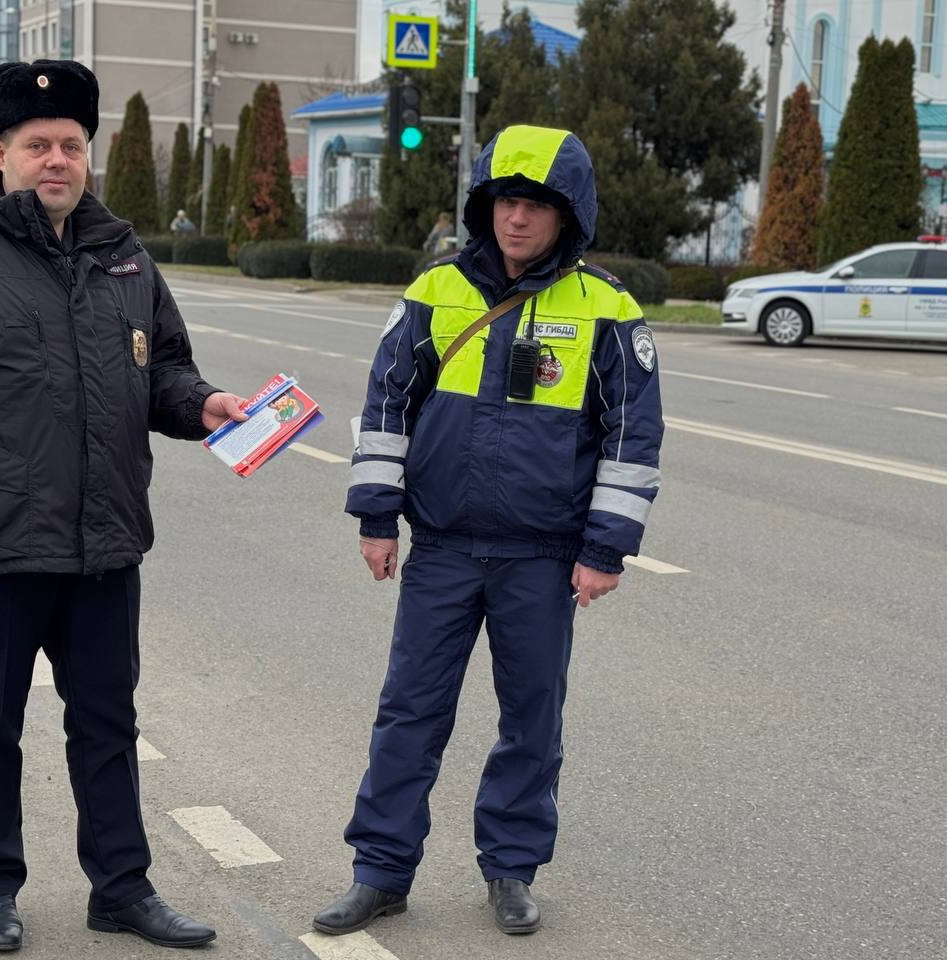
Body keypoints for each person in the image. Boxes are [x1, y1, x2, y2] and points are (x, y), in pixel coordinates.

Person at [0, 59, 248, 953]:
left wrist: (204, 404)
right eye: (37, 145)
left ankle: (123, 888)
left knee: (108, 726)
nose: (57, 160)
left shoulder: (123, 255)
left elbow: (166, 369)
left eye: (71, 144)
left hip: (105, 549)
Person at [314, 125, 664, 938]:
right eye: (507, 200)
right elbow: (387, 403)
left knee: (531, 720)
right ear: (485, 204)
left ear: (567, 214)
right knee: (408, 713)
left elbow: (630, 437)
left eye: (536, 205)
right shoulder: (436, 290)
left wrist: (604, 548)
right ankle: (380, 872)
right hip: (442, 546)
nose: (517, 219)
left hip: (542, 557)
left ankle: (510, 868)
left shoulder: (606, 306)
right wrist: (376, 515)